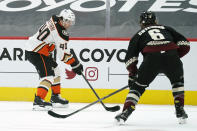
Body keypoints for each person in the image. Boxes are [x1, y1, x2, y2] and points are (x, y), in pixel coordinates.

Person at [115, 11, 190, 124]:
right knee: (177, 82)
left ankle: (125, 113)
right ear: (156, 21)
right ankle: (180, 110)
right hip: (172, 56)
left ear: (141, 22)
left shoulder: (138, 35)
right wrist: (173, 55)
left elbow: (130, 60)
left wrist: (133, 75)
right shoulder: (167, 28)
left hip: (151, 60)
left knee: (138, 88)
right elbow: (185, 44)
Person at [25, 9, 83, 110]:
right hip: (36, 52)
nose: (69, 24)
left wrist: (74, 62)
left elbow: (63, 48)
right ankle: (38, 101)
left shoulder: (54, 21)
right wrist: (74, 64)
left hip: (37, 49)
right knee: (48, 76)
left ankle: (55, 97)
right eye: (68, 22)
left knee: (56, 70)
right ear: (63, 20)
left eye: (71, 22)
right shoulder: (60, 33)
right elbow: (62, 56)